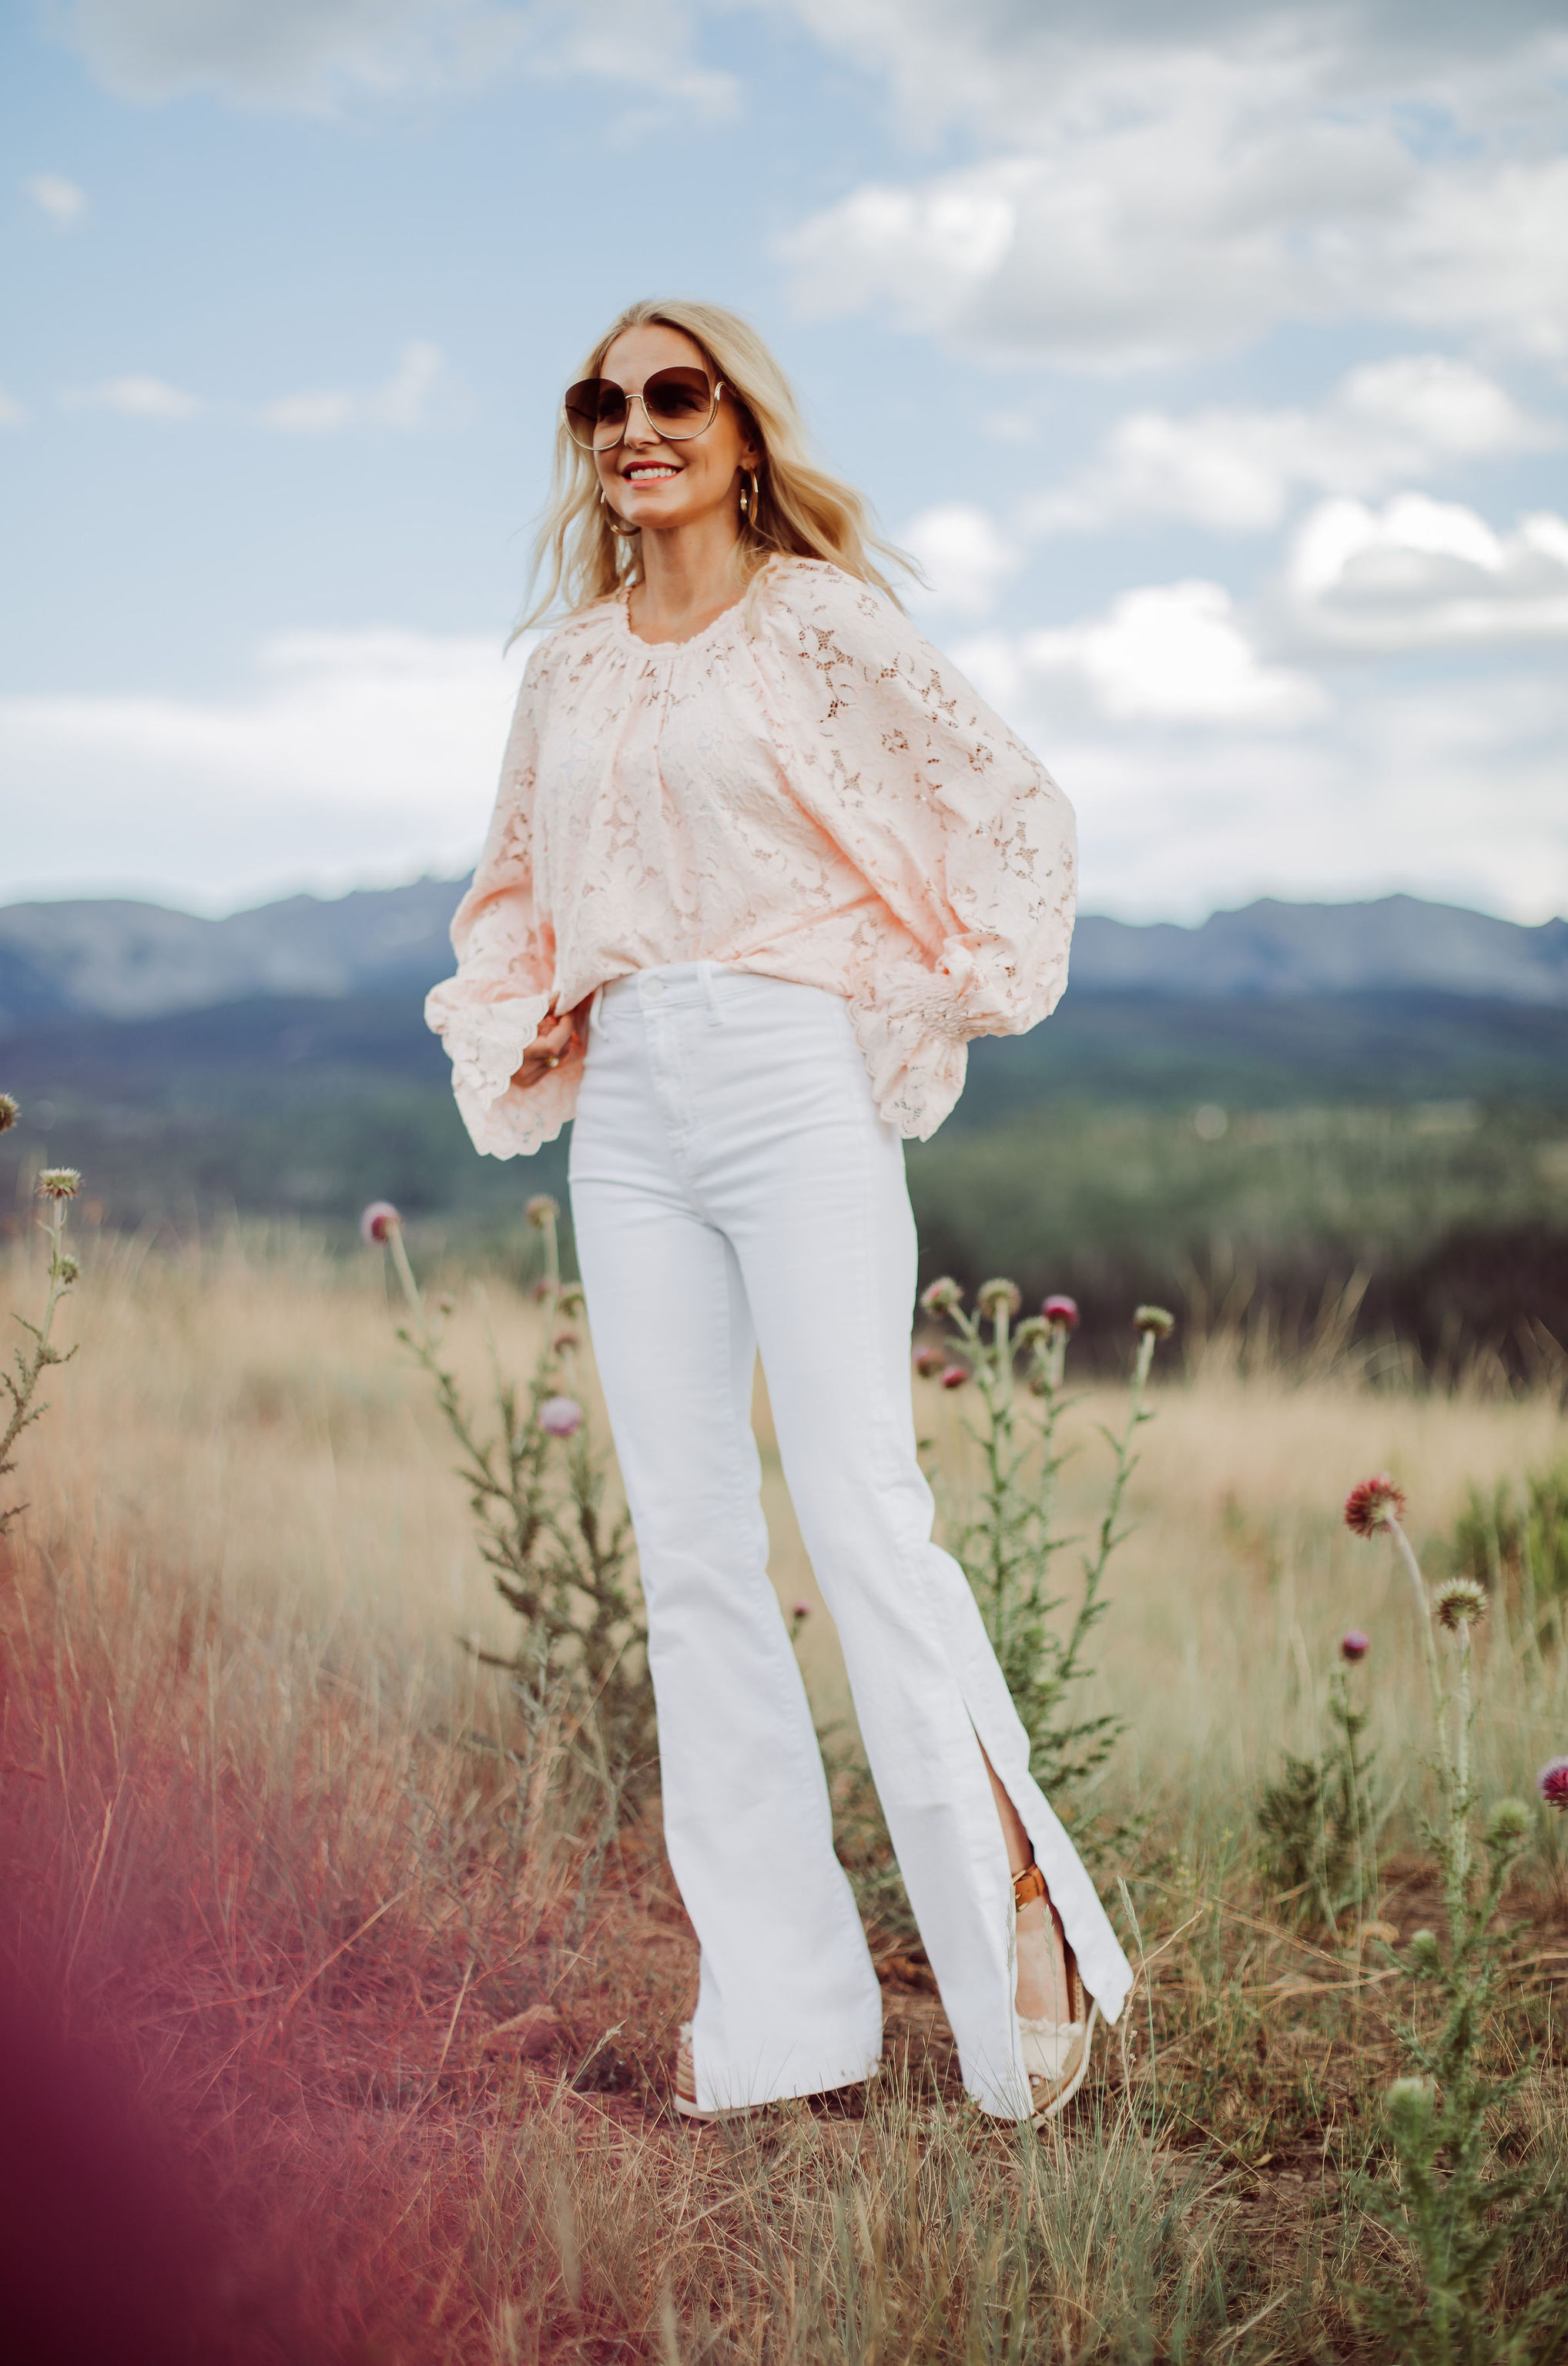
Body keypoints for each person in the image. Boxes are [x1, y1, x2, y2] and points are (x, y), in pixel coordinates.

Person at [426, 298, 1132, 2124]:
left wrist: (920, 990)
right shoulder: (567, 669)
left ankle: (1019, 1933)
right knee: (689, 1554)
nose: (633, 424)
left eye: (673, 394)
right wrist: (554, 994)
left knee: (861, 1511)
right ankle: (785, 2020)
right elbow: (506, 890)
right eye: (602, 399)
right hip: (635, 1111)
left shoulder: (823, 624)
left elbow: (1009, 811)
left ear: (741, 429)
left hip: (792, 1081)